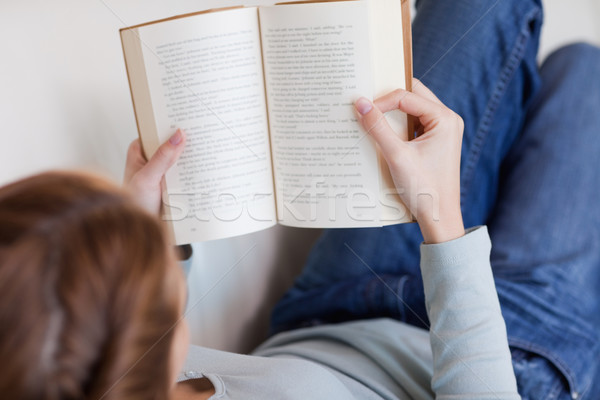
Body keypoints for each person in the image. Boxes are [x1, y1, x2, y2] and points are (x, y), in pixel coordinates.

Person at [0, 0, 598, 399]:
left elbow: (134, 341)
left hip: (330, 310)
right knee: (583, 73)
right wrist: (441, 218)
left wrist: (155, 230)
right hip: (498, 361)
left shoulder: (60, 371)